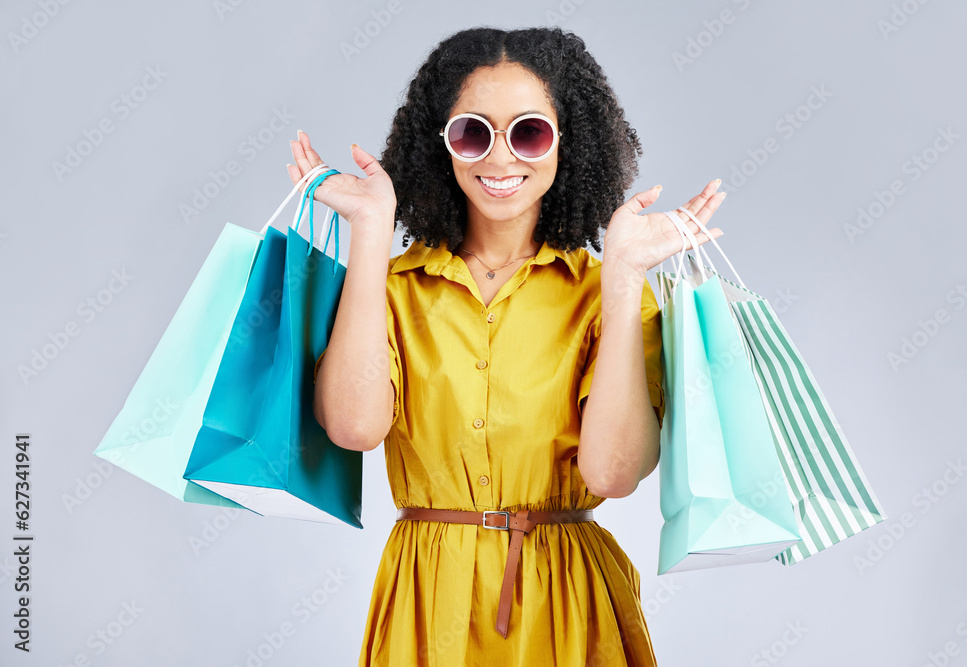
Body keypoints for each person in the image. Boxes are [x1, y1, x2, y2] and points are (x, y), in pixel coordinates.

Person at [288, 26, 724, 667]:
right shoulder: (391, 287)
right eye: (473, 131)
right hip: (427, 600)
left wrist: (626, 276)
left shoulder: (604, 294)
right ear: (442, 143)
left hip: (566, 602)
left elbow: (613, 473)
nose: (500, 158)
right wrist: (371, 234)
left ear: (565, 144)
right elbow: (354, 427)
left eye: (529, 132)